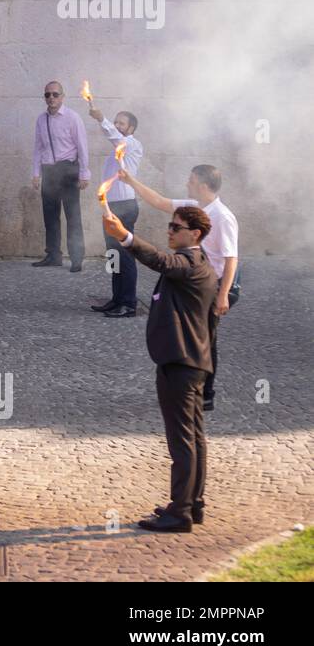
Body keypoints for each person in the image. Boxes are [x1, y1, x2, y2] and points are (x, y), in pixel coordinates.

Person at [101, 205, 216, 532]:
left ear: (194, 234)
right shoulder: (204, 266)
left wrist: (124, 236)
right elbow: (212, 324)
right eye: (169, 225)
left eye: (175, 227)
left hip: (180, 363)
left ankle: (179, 512)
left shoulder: (190, 262)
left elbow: (162, 261)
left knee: (182, 441)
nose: (169, 231)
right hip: (194, 362)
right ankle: (192, 504)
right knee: (194, 439)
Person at [118, 165, 238, 412]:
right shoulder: (194, 208)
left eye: (191, 180)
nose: (187, 183)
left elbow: (231, 258)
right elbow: (160, 202)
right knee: (188, 333)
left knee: (207, 339)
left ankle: (206, 394)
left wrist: (223, 294)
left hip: (212, 286)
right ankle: (185, 384)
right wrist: (131, 181)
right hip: (191, 282)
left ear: (204, 186)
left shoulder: (222, 216)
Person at [87, 104, 144, 318]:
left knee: (125, 256)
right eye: (116, 121)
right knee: (113, 256)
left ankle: (129, 303)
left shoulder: (131, 144)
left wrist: (102, 119)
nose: (117, 125)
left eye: (122, 123)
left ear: (131, 129)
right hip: (111, 208)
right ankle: (116, 298)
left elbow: (115, 138)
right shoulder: (117, 148)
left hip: (125, 207)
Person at [31, 81, 90, 272]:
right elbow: (38, 148)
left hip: (68, 170)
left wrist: (84, 173)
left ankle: (76, 257)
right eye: (47, 94)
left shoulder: (73, 117)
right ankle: (53, 255)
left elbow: (82, 147)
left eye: (55, 94)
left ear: (62, 97)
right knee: (50, 216)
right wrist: (36, 173)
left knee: (73, 215)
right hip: (49, 171)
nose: (51, 98)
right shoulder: (41, 119)